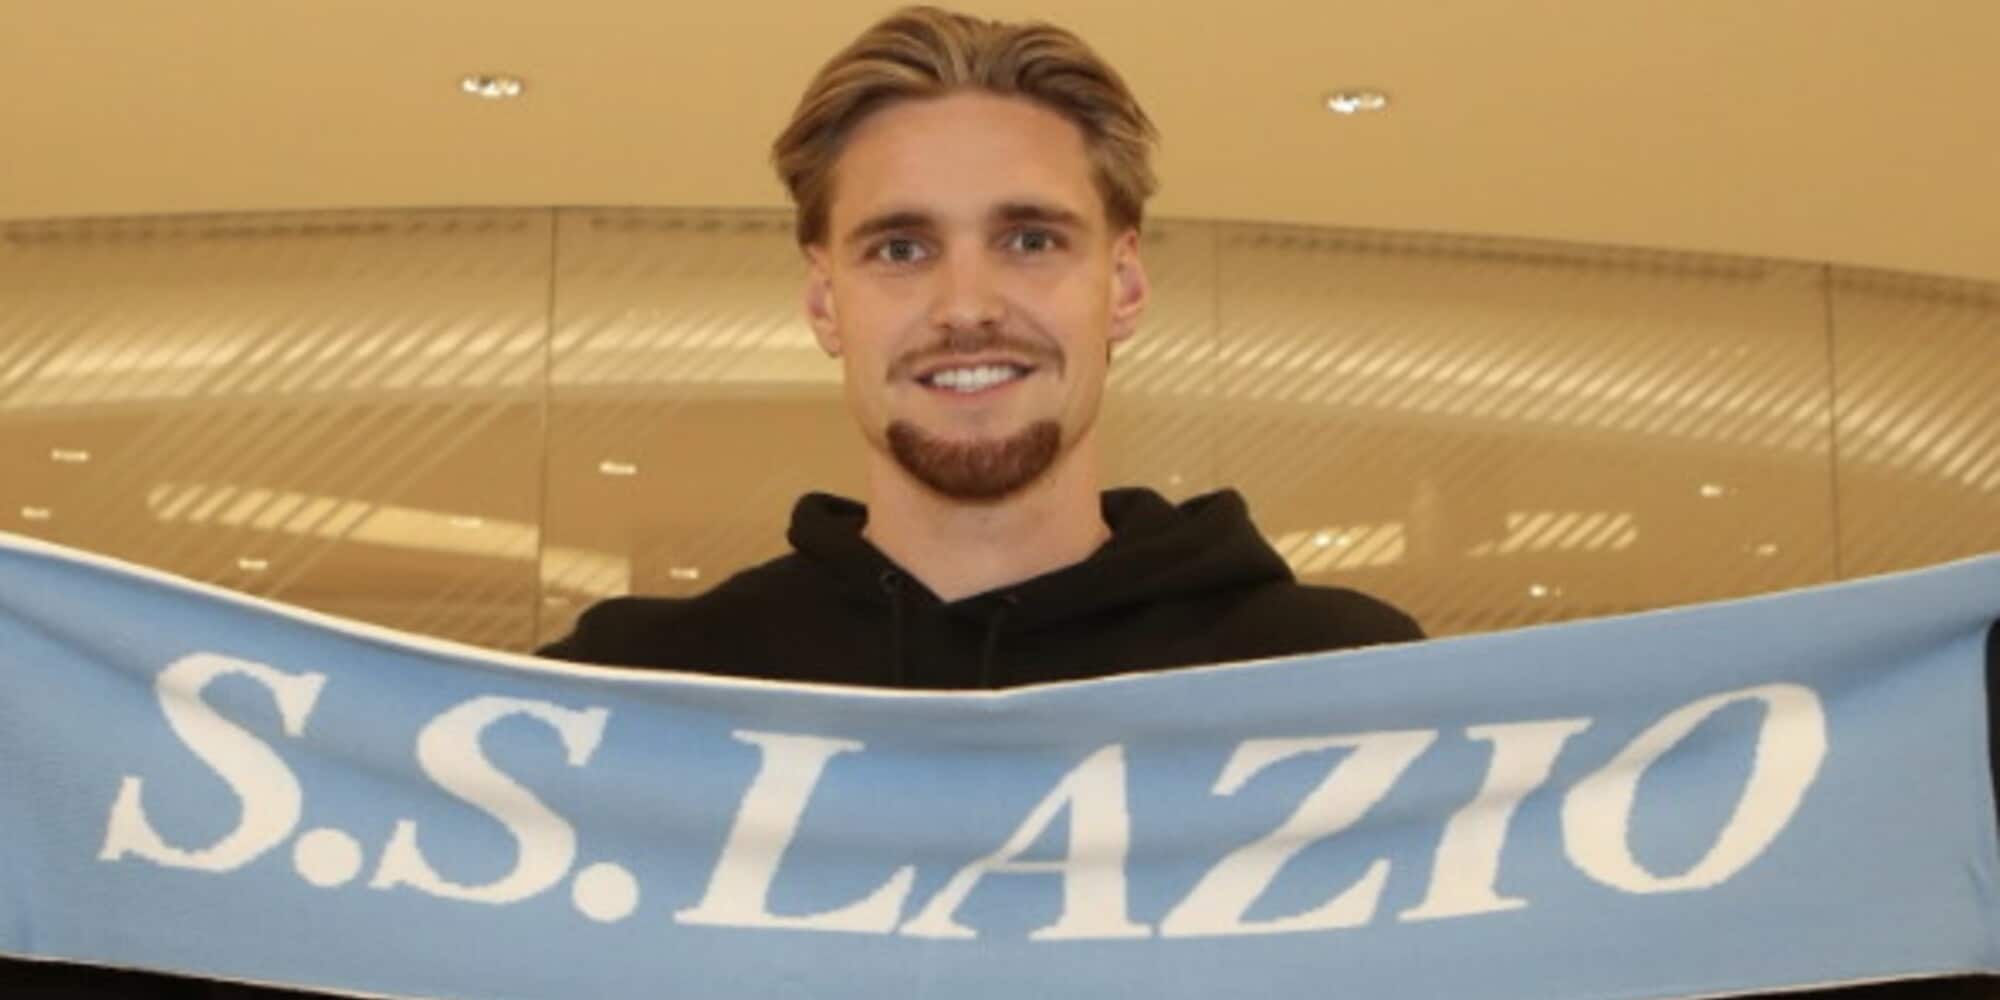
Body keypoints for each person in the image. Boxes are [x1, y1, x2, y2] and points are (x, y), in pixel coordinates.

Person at [536, 5, 1423, 684]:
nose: (966, 307)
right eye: (901, 249)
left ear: (1123, 285)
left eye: (1031, 240)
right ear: (824, 303)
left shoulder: (1344, 684)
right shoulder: (634, 697)